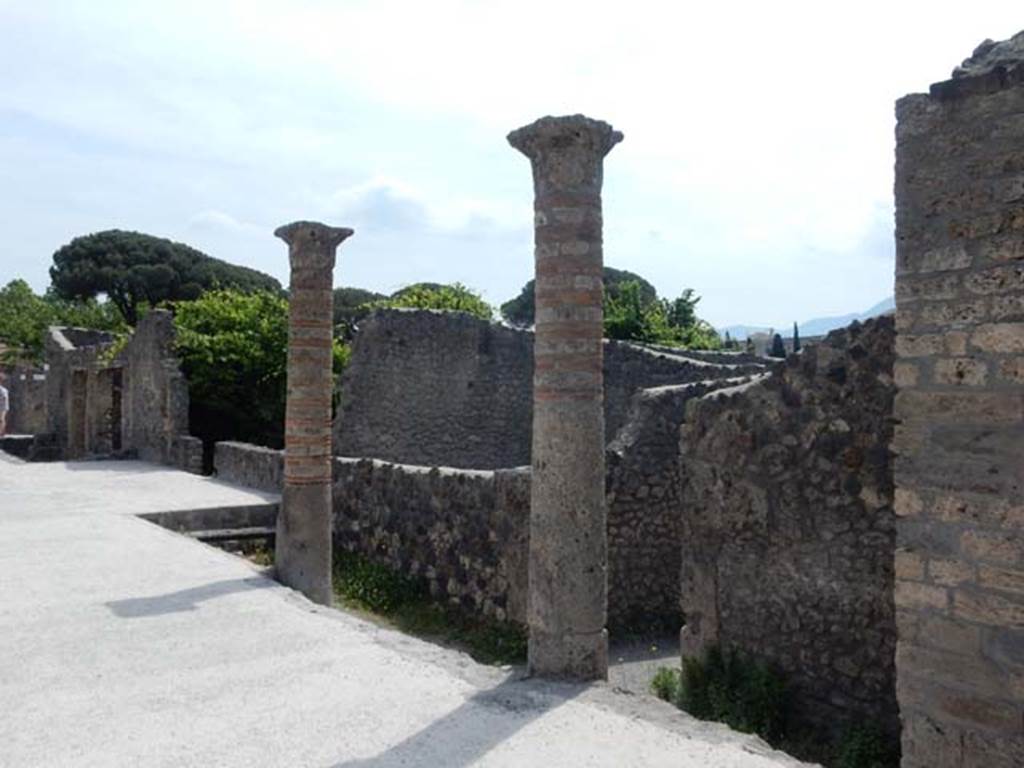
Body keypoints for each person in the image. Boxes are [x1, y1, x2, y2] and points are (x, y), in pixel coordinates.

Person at [0, 373, 8, 437]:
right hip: (3, 406)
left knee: (1, 419)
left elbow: (4, 399)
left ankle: (2, 432)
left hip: (3, 407)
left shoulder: (3, 390)